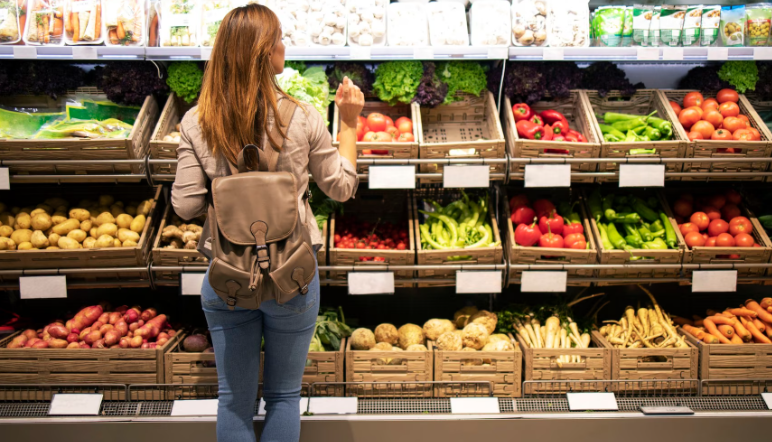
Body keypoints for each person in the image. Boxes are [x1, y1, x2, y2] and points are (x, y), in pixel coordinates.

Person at [171, 4, 364, 442]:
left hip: (227, 278)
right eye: (278, 38)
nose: (284, 45)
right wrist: (349, 124)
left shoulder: (196, 122)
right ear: (263, 53)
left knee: (233, 401)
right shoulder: (303, 117)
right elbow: (340, 187)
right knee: (282, 396)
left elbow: (185, 205)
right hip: (292, 276)